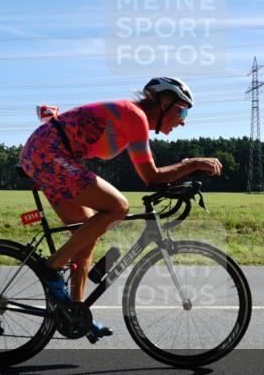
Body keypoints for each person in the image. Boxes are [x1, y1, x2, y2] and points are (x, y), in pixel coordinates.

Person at [19, 77, 223, 340]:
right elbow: (151, 176)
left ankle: (74, 313)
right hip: (47, 154)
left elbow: (153, 175)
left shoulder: (133, 122)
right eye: (182, 111)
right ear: (164, 102)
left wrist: (185, 175)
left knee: (86, 236)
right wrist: (192, 164)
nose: (183, 120)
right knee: (118, 207)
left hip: (47, 155)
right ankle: (51, 267)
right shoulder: (134, 115)